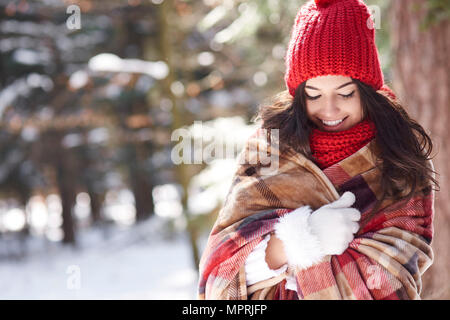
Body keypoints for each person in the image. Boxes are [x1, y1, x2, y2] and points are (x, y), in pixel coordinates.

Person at [198, 0, 438, 300]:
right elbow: (220, 278)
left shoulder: (400, 154)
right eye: (314, 95)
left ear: (367, 91)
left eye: (345, 93)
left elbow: (396, 274)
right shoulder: (269, 149)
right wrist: (298, 240)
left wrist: (299, 273)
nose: (329, 109)